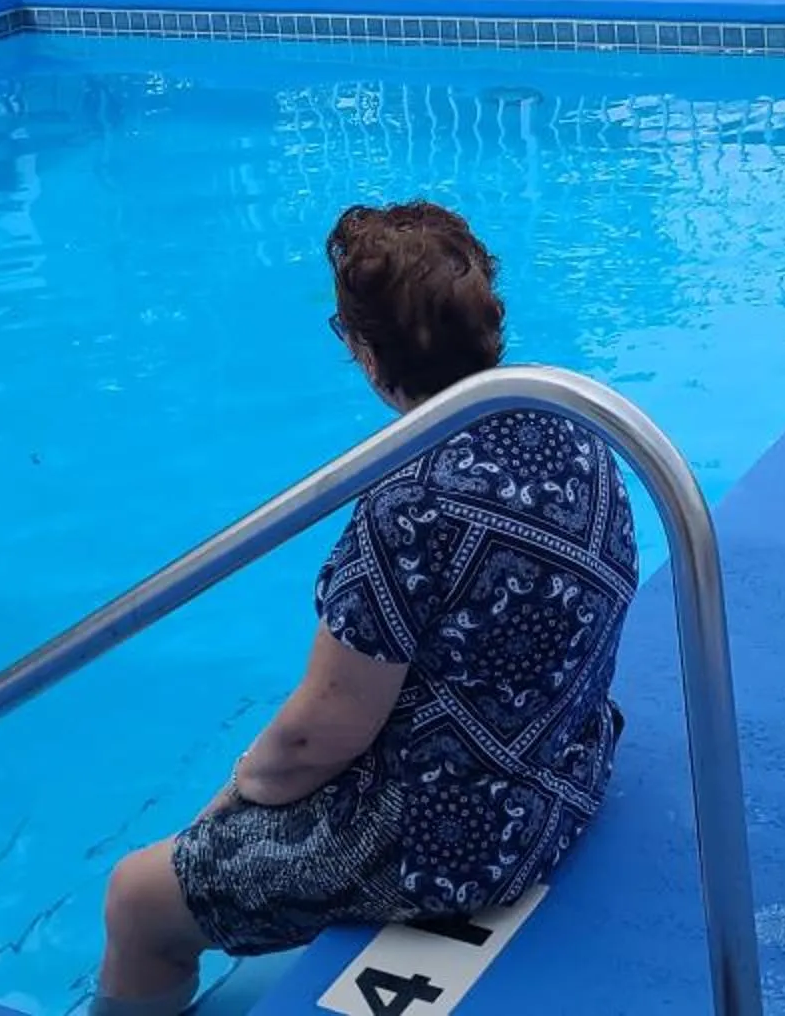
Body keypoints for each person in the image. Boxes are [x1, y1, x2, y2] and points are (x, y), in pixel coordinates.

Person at [90, 202, 639, 1016]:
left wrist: (231, 801)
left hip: (462, 840)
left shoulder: (407, 503)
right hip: (566, 767)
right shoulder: (569, 423)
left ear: (361, 348)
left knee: (136, 897)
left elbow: (320, 735)